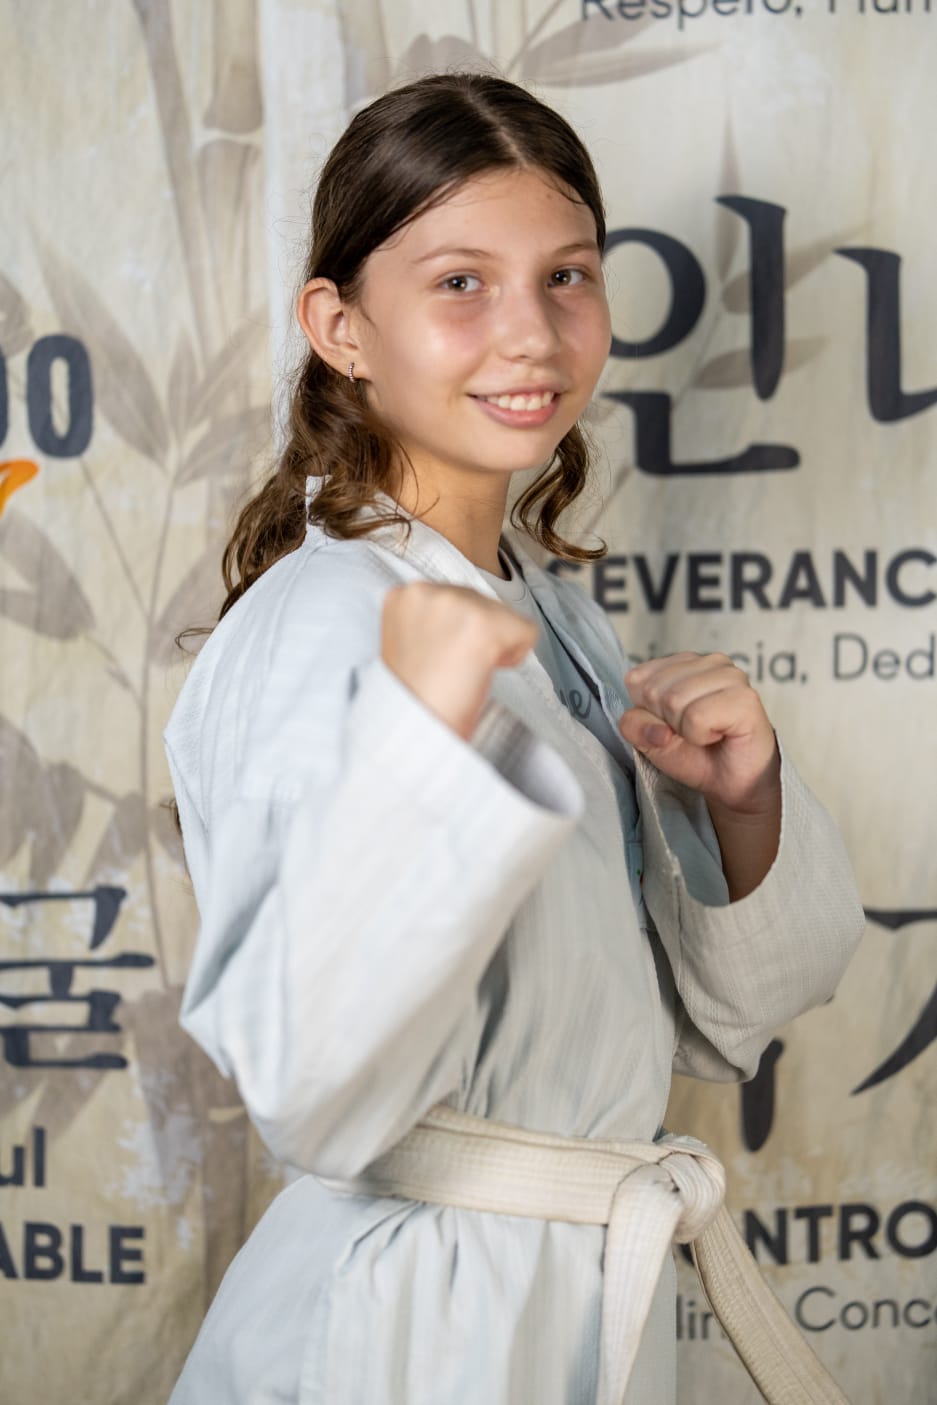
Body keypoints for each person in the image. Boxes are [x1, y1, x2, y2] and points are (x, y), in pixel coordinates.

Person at [163, 72, 864, 1405]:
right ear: (341, 326)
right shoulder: (330, 620)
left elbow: (726, 1018)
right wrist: (418, 767)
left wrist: (744, 808)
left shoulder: (550, 611)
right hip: (413, 1324)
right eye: (459, 284)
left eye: (566, 277)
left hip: (566, 1282)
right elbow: (310, 1087)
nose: (532, 334)